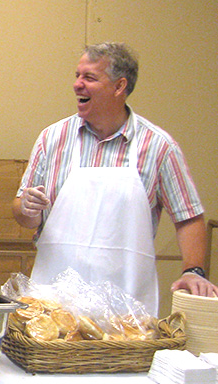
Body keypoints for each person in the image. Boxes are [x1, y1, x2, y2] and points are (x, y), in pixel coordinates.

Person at [13, 42, 218, 314]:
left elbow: (188, 216)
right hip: (52, 303)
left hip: (126, 308)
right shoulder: (52, 139)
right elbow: (23, 216)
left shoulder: (158, 146)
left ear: (119, 86)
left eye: (89, 78)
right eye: (77, 75)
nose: (77, 84)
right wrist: (25, 208)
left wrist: (193, 271)